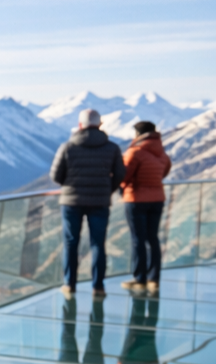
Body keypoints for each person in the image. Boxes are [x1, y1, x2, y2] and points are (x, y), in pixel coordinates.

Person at [50, 108, 125, 298]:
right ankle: (98, 287)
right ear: (100, 125)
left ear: (80, 125)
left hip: (71, 201)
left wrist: (70, 186)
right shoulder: (113, 148)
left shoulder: (67, 147)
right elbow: (120, 175)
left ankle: (69, 284)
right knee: (98, 244)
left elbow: (56, 175)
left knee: (70, 243)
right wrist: (106, 190)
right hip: (100, 201)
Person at [120, 119, 171, 294]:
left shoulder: (135, 152)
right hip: (157, 198)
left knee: (138, 239)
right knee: (153, 238)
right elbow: (164, 171)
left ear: (138, 134)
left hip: (136, 199)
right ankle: (154, 278)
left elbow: (124, 175)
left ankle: (139, 278)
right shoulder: (162, 153)